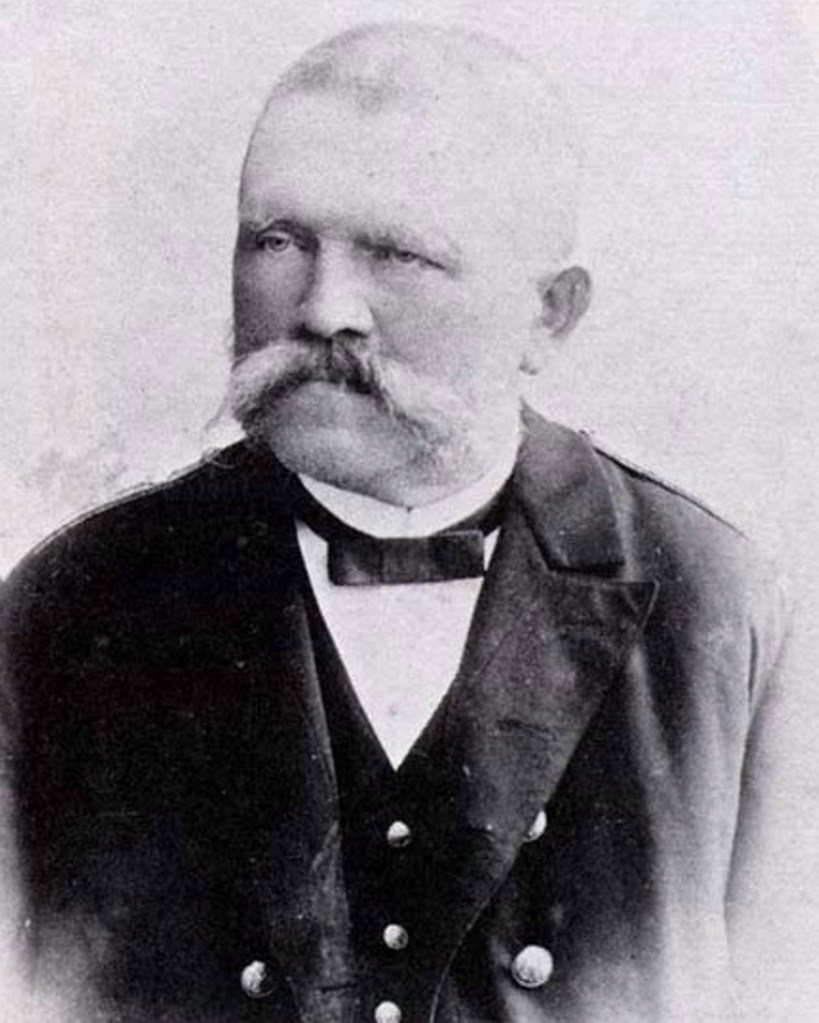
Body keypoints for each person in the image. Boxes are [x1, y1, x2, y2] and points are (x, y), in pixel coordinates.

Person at [0, 20, 806, 1023]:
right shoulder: (67, 609)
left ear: (548, 315)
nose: (324, 309)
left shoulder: (723, 607)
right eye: (279, 240)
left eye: (397, 253)